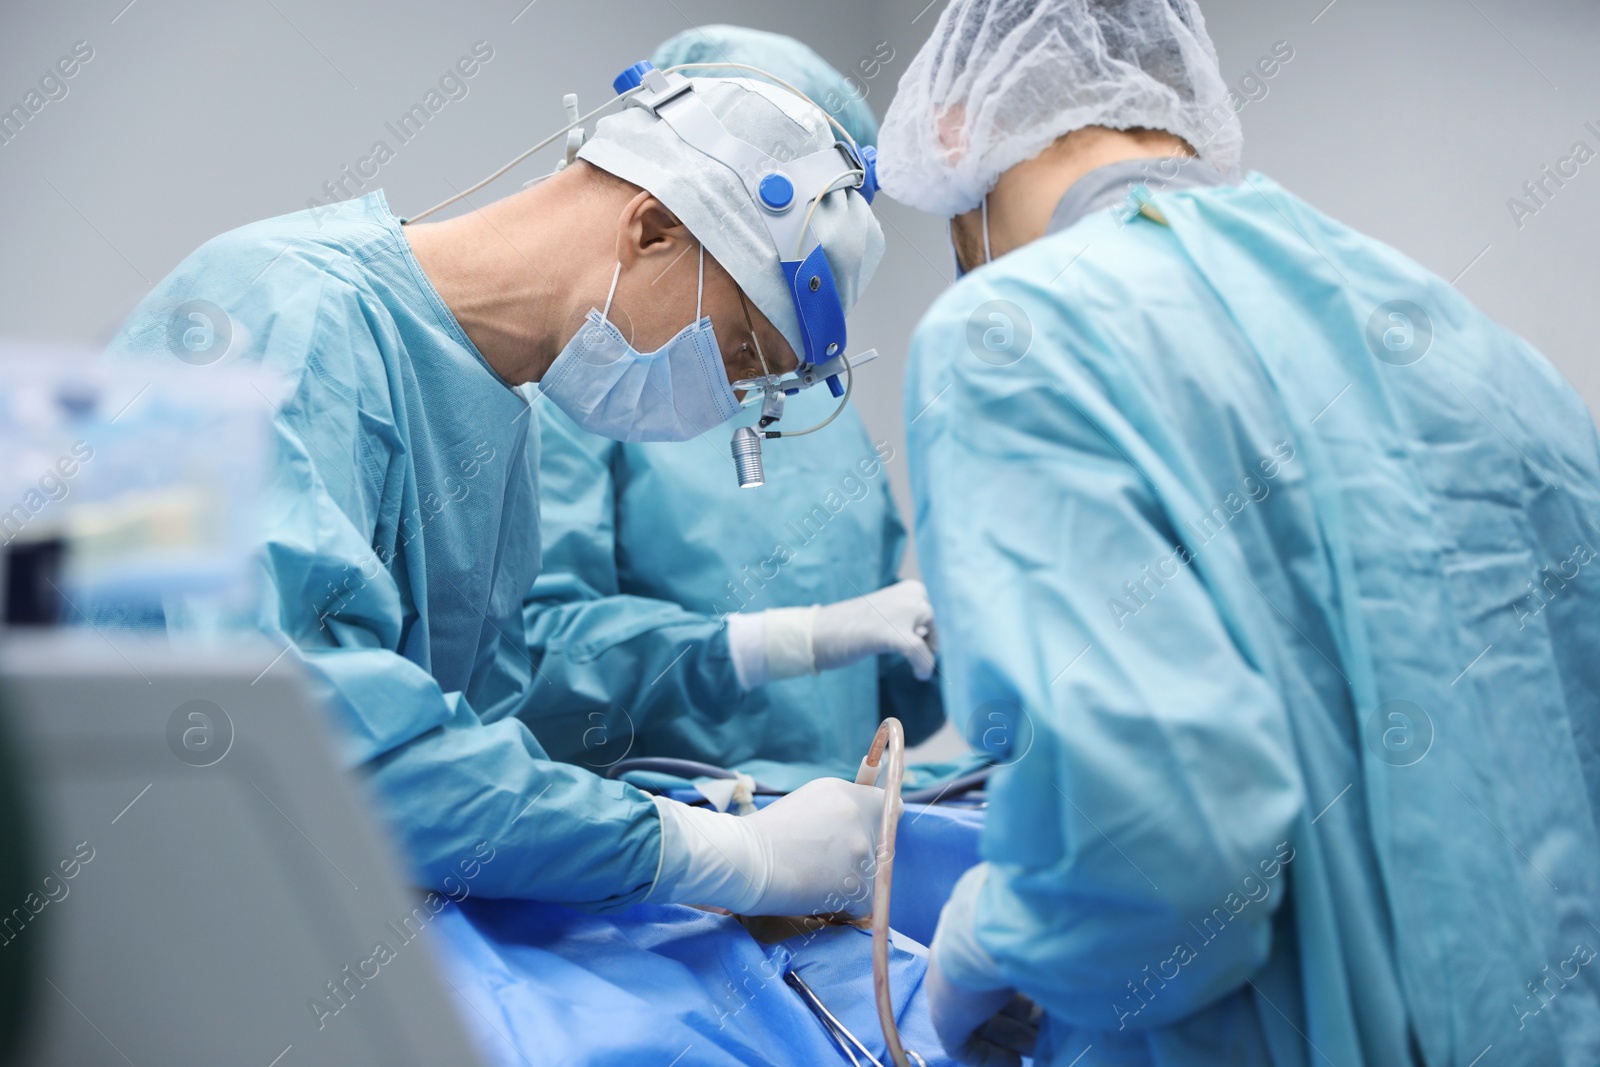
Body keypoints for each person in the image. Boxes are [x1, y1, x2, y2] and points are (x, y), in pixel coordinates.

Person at [878, 1, 1600, 1064]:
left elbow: (1154, 855)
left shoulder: (1012, 333)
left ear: (953, 146)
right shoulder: (1457, 336)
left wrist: (984, 940)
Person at [108, 64, 894, 921]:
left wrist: (705, 817)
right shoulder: (280, 313)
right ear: (655, 229)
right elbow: (298, 725)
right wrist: (714, 855)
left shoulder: (498, 421)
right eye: (741, 352)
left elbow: (487, 727)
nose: (722, 397)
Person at [525, 25, 945, 790]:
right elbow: (537, 664)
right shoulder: (591, 389)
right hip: (655, 856)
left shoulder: (829, 424)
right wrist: (783, 641)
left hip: (834, 841)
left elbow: (880, 699)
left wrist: (954, 642)